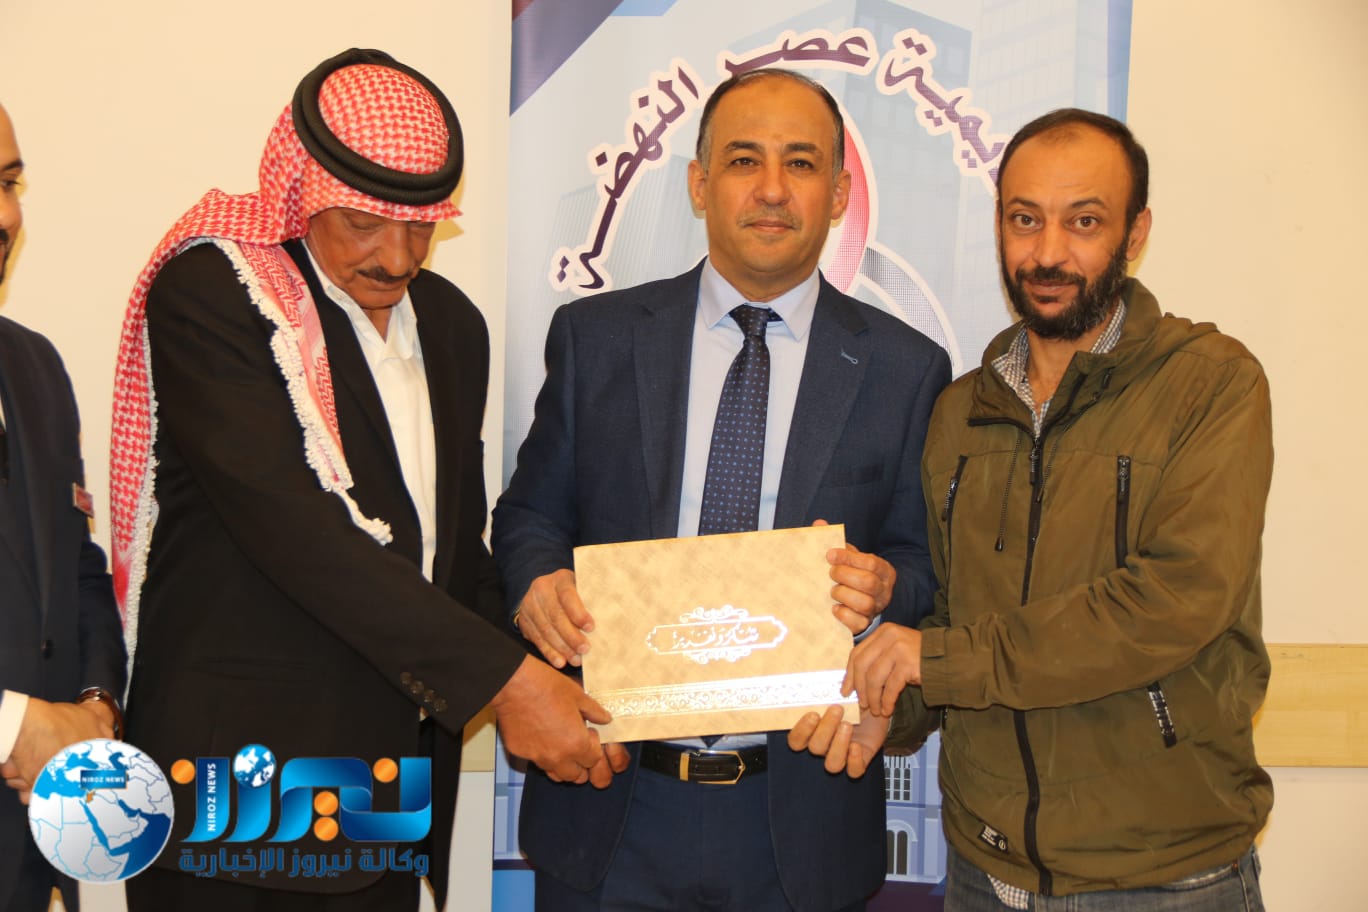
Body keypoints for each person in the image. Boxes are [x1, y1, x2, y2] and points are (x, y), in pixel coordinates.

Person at [111, 49, 612, 911]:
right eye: (364, 223)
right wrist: (509, 684)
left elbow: (449, 554)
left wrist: (572, 661)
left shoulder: (452, 326)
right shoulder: (222, 295)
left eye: (422, 227)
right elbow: (300, 536)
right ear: (303, 193)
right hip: (236, 795)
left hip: (382, 801)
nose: (397, 256)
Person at [493, 68, 952, 912]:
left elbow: (924, 564)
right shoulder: (597, 339)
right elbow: (530, 514)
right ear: (700, 185)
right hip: (611, 793)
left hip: (801, 812)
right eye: (744, 161)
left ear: (840, 193)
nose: (772, 189)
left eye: (801, 163)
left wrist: (890, 587)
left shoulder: (906, 370)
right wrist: (536, 585)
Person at [843, 109, 1272, 910]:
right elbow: (951, 619)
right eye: (1024, 219)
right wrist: (886, 709)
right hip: (983, 871)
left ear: (1136, 232)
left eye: (1084, 222)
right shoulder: (959, 411)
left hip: (1164, 876)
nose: (1047, 254)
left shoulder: (1211, 382)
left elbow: (1174, 600)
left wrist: (937, 661)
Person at [0, 101, 127, 911]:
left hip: (32, 846)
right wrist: (15, 723)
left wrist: (94, 706)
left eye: (10, 183)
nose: (7, 216)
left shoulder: (34, 366)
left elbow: (78, 570)